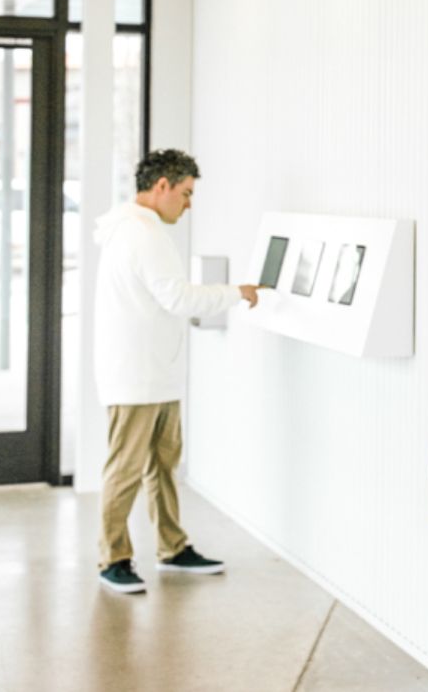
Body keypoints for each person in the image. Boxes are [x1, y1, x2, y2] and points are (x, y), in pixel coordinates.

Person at [94, 149, 264, 594]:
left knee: (164, 464)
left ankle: (172, 547)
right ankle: (113, 557)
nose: (188, 205)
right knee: (126, 469)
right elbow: (178, 298)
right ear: (162, 186)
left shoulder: (135, 230)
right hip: (135, 377)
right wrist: (237, 292)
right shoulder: (141, 234)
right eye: (186, 194)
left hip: (156, 374)